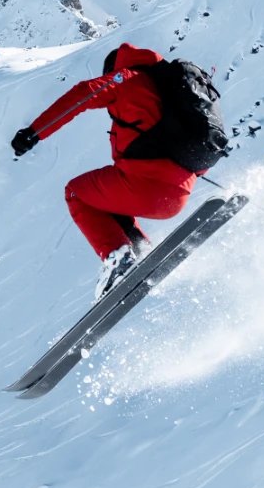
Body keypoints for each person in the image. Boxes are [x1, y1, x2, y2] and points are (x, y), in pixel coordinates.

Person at [11, 43, 204, 300]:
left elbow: (83, 94)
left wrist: (34, 132)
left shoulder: (126, 77)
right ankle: (139, 250)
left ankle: (119, 257)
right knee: (107, 200)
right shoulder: (169, 90)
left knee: (76, 193)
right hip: (179, 195)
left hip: (146, 188)